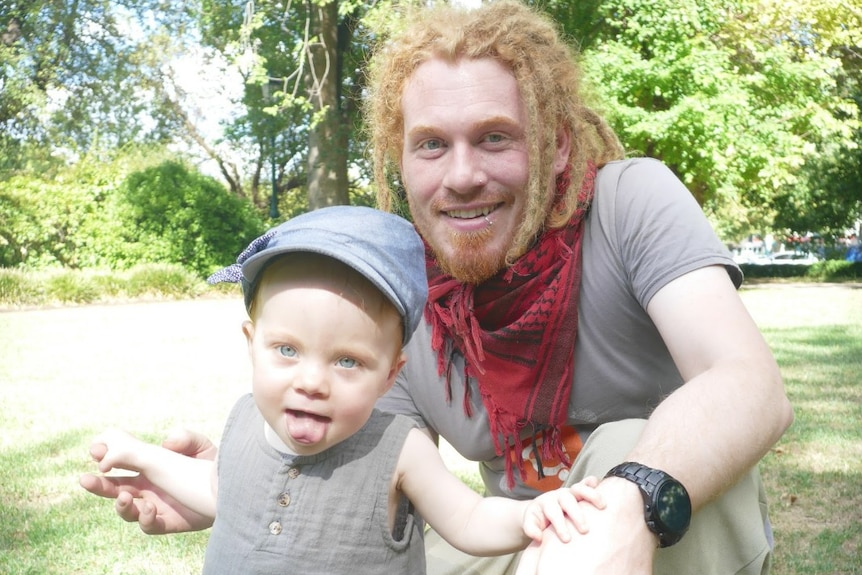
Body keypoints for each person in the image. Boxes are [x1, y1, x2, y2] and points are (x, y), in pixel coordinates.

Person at [81, 1, 794, 573]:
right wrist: (243, 483)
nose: (459, 176)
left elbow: (748, 383)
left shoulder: (630, 201)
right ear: (402, 158)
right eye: (431, 144)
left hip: (662, 526)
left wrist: (632, 499)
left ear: (557, 148)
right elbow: (364, 459)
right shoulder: (397, 292)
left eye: (494, 138)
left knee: (628, 442)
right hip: (510, 536)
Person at [82, 205, 605, 573]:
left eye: (348, 361)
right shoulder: (244, 418)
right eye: (286, 350)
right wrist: (145, 457)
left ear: (390, 375)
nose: (311, 382)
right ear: (251, 342)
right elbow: (222, 491)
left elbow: (467, 517)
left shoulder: (398, 448)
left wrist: (529, 514)